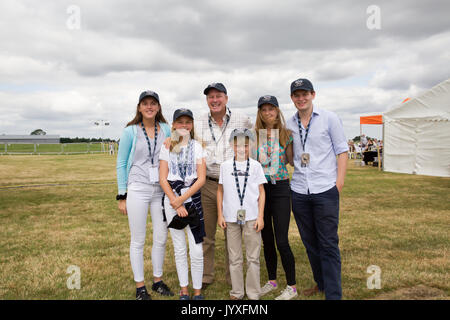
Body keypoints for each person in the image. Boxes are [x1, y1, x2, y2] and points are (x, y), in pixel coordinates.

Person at [286, 78, 348, 300]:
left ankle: (333, 294)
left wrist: (338, 184)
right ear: (292, 98)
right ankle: (321, 284)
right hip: (300, 190)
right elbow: (291, 158)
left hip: (325, 189)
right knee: (310, 242)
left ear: (313, 94)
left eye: (305, 94)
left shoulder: (330, 118)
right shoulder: (289, 124)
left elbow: (342, 151)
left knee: (328, 243)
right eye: (296, 95)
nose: (301, 98)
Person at [116, 90, 174, 300]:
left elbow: (177, 149)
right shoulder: (130, 131)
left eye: (153, 103)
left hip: (160, 190)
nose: (149, 107)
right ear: (139, 107)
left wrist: (173, 142)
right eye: (145, 103)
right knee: (138, 239)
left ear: (158, 107)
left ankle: (157, 280)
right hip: (138, 188)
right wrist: (122, 195)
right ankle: (141, 286)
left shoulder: (166, 128)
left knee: (161, 236)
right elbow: (121, 164)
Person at [194, 82, 253, 288]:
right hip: (208, 184)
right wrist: (170, 140)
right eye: (210, 97)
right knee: (207, 235)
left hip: (234, 184)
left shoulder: (242, 119)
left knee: (233, 235)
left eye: (218, 96)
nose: (214, 100)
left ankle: (233, 277)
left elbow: (254, 143)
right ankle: (206, 276)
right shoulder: (199, 121)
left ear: (226, 98)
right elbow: (181, 140)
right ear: (207, 100)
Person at [254, 95, 298, 300]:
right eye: (264, 109)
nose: (268, 113)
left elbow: (291, 161)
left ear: (277, 111)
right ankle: (272, 280)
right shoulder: (255, 135)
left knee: (281, 240)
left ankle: (292, 286)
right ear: (260, 113)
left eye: (271, 109)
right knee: (267, 239)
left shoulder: (286, 134)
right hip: (261, 189)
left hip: (280, 188)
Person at [159, 108, 207, 300]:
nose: (184, 126)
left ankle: (197, 291)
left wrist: (183, 199)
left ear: (192, 125)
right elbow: (163, 178)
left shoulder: (197, 146)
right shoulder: (167, 146)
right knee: (179, 248)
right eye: (180, 122)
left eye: (188, 122)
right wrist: (175, 202)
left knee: (196, 248)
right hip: (172, 200)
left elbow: (201, 178)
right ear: (174, 125)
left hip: (192, 199)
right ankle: (184, 290)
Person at [217, 129, 266, 300]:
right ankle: (237, 292)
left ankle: (253, 292)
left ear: (250, 145)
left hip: (252, 217)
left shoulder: (256, 166)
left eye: (245, 145)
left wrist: (260, 216)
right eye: (237, 145)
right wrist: (220, 215)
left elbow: (261, 192)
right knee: (234, 257)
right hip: (230, 218)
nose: (241, 149)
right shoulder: (225, 166)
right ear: (232, 145)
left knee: (253, 257)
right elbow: (220, 191)